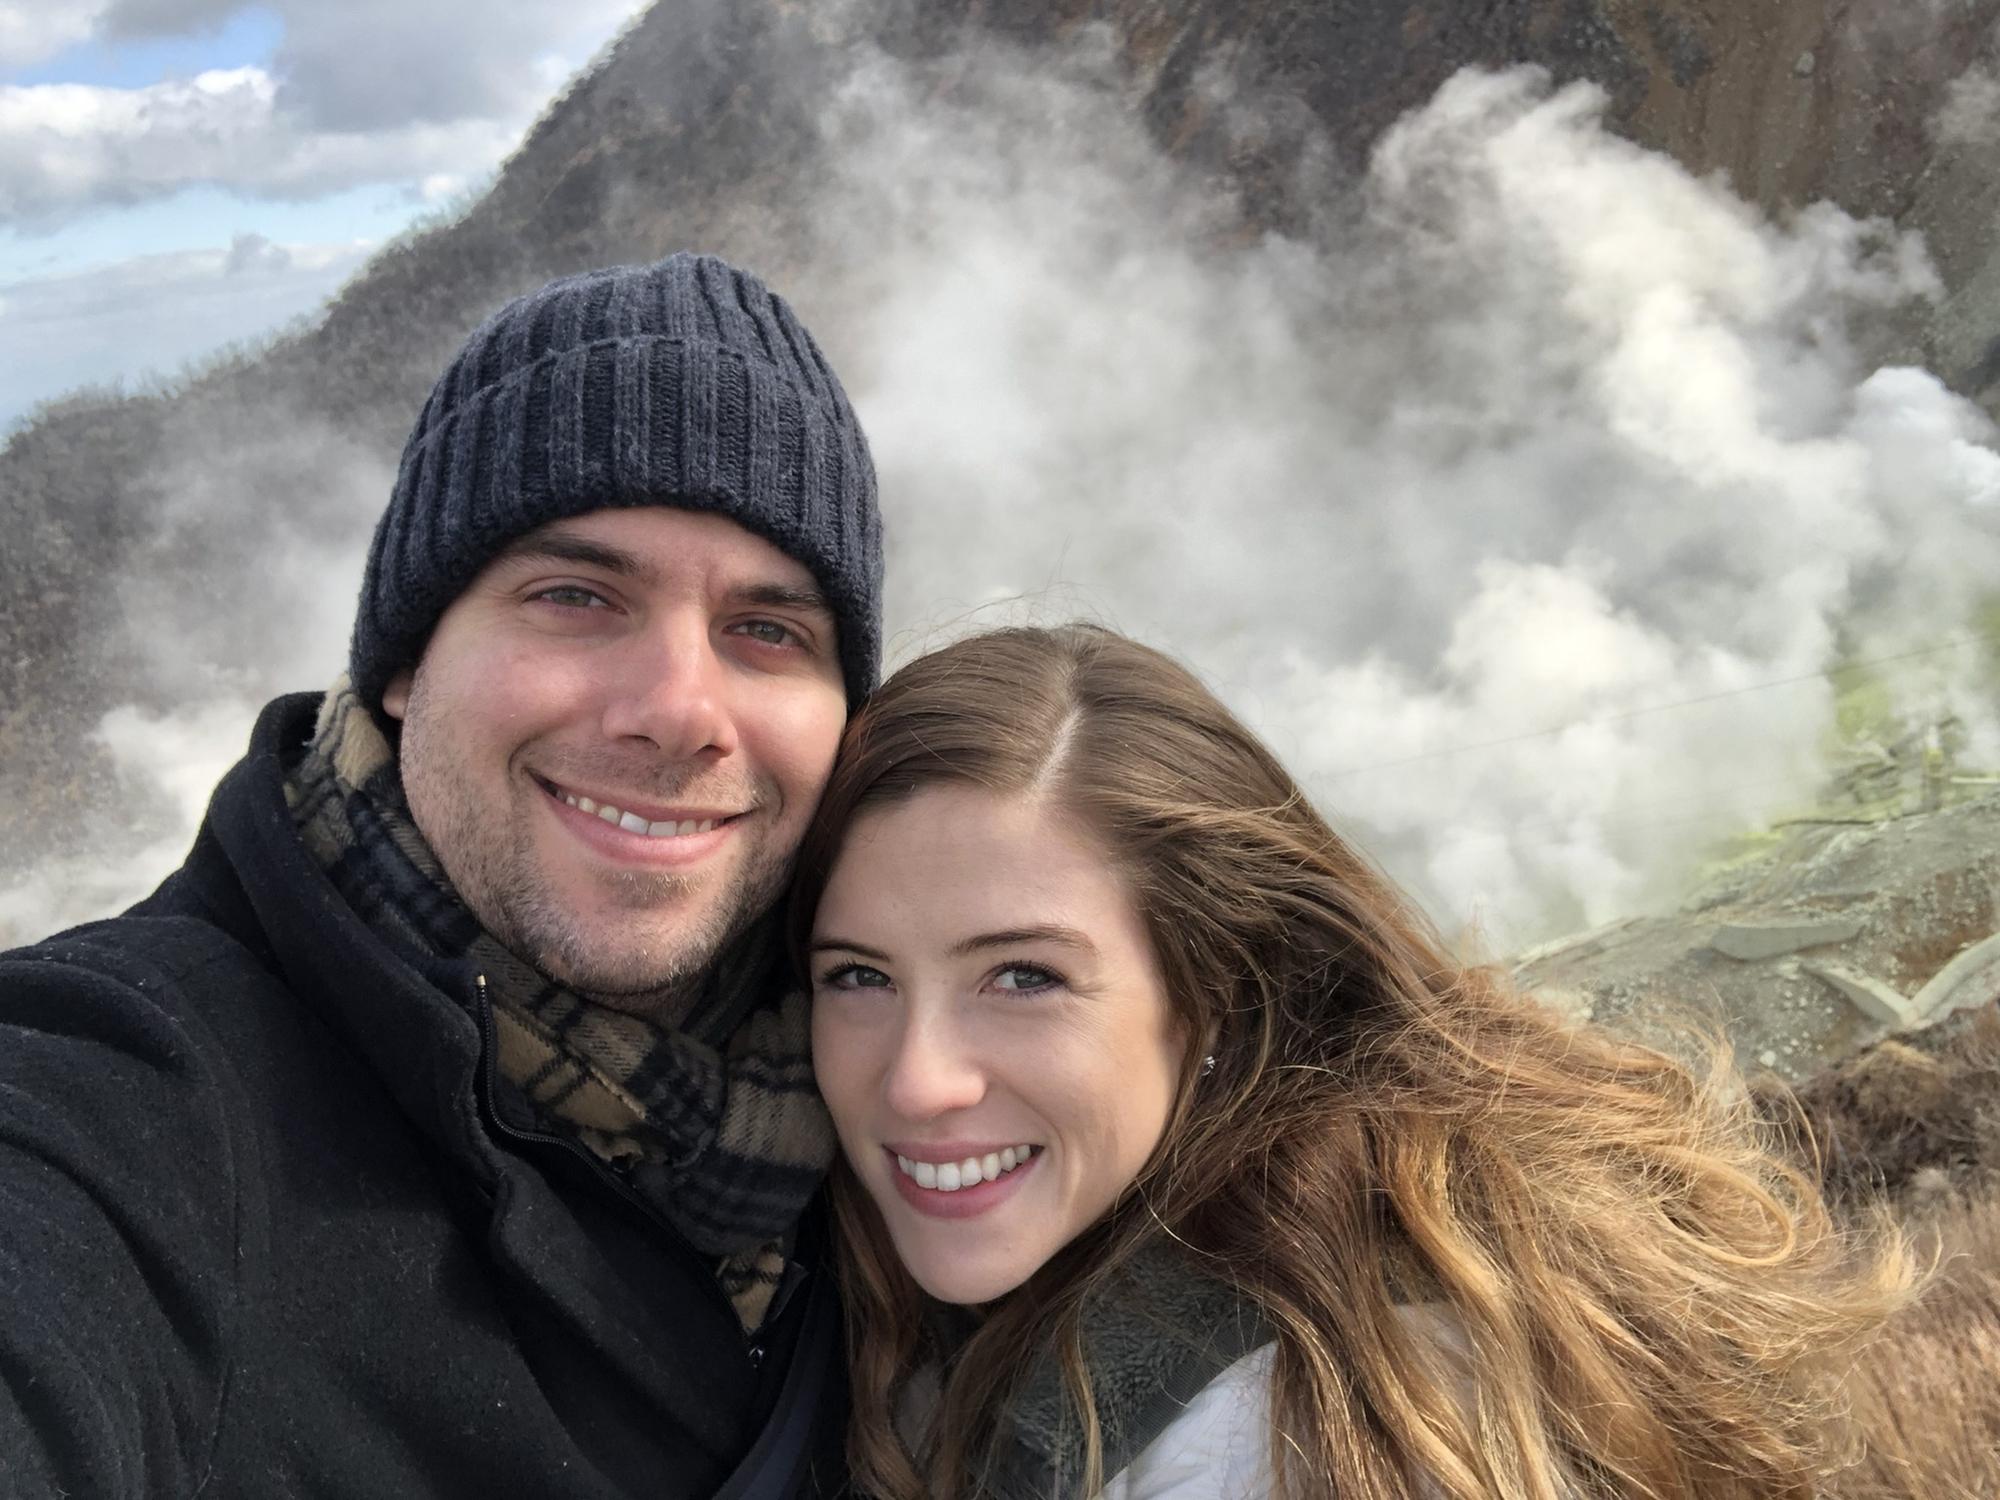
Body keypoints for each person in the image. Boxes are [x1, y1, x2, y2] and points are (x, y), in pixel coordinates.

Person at [0, 252, 881, 1498]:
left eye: (768, 630)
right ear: (407, 663)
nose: (682, 711)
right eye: (575, 595)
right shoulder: (132, 1098)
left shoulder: (898, 1077)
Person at [790, 623, 1915, 1500]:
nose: (914, 1080)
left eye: (1023, 977)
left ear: (1216, 992)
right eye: (857, 977)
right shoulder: (1381, 1232)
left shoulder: (1272, 1433)